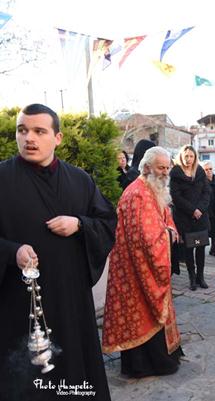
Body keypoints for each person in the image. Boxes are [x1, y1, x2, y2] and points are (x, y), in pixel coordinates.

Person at [0, 103, 117, 400]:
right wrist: (12, 251)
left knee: (73, 371)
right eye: (22, 130)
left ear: (58, 138)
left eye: (39, 131)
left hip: (70, 301)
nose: (29, 138)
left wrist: (80, 224)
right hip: (18, 302)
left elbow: (107, 222)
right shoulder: (2, 178)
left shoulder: (80, 180)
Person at [102, 146, 183, 378]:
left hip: (142, 265)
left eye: (167, 168)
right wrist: (167, 234)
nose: (165, 172)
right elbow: (144, 238)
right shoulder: (137, 194)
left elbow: (164, 217)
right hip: (135, 270)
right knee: (140, 314)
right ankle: (145, 365)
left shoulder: (152, 189)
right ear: (147, 168)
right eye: (161, 168)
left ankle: (162, 357)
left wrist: (169, 228)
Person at [170, 145, 211, 290]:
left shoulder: (199, 171)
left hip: (201, 217)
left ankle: (200, 277)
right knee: (189, 249)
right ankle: (192, 278)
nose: (188, 159)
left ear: (195, 157)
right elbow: (176, 197)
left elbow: (206, 192)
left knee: (201, 248)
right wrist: (192, 210)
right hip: (185, 218)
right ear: (181, 157)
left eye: (191, 156)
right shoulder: (176, 173)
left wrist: (200, 209)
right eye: (186, 156)